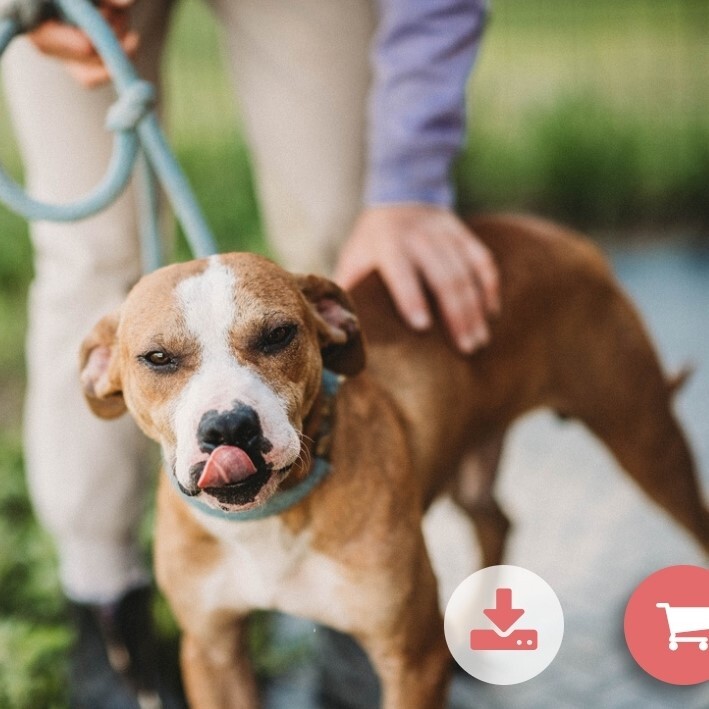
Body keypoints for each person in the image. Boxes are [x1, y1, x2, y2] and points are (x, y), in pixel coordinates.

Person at [2, 0, 498, 705]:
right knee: (90, 257)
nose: (226, 414)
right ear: (103, 377)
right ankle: (104, 605)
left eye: (271, 340)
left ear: (334, 327)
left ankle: (350, 605)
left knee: (340, 219)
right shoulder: (111, 352)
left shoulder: (332, 319)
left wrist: (408, 182)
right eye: (160, 362)